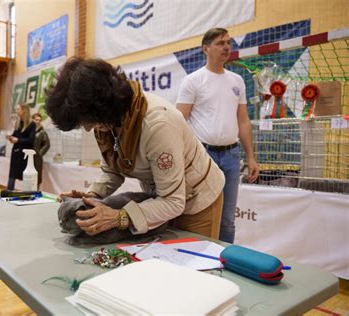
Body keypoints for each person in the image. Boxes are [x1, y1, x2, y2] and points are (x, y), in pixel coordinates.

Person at [45, 57, 225, 239]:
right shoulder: (108, 120)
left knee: (192, 263)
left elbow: (173, 201)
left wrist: (119, 217)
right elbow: (113, 170)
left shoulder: (158, 125)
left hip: (197, 201)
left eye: (87, 121)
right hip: (162, 200)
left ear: (101, 104)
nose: (87, 128)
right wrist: (91, 196)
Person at [176, 28, 259, 243]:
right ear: (206, 48)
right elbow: (178, 120)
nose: (226, 47)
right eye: (220, 43)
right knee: (198, 213)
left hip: (231, 157)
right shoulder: (193, 81)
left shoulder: (237, 81)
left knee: (227, 220)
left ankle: (224, 261)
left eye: (228, 42)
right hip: (203, 156)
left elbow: (243, 120)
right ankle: (196, 257)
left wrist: (250, 157)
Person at [6, 104, 36, 190]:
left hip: (26, 154)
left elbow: (31, 139)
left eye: (18, 109)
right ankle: (9, 193)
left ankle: (26, 194)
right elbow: (15, 135)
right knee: (12, 175)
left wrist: (18, 140)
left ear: (24, 111)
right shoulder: (18, 123)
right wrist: (10, 137)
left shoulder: (32, 124)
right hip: (16, 152)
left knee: (25, 176)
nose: (16, 111)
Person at [32, 113, 50, 190]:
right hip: (27, 156)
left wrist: (40, 153)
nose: (38, 121)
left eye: (39, 120)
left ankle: (36, 192)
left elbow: (47, 144)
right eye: (36, 120)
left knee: (37, 176)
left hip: (37, 158)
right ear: (32, 120)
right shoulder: (29, 131)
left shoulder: (42, 132)